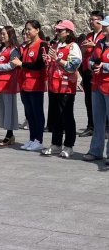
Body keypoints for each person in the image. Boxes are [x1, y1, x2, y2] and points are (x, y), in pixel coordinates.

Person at [41, 20, 82, 158]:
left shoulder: (73, 46)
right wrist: (48, 59)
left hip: (66, 87)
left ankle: (69, 145)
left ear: (68, 32)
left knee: (67, 116)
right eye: (57, 30)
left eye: (60, 30)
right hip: (54, 86)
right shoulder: (56, 44)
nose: (57, 32)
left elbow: (73, 66)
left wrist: (57, 59)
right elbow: (52, 63)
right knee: (55, 116)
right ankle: (56, 144)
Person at [12, 20, 49, 152]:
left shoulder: (43, 45)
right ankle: (32, 138)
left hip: (35, 84)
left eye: (29, 29)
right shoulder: (27, 46)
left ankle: (39, 140)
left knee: (37, 112)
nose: (27, 32)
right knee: (29, 113)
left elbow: (39, 65)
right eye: (26, 29)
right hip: (24, 84)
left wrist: (21, 64)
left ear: (37, 30)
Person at [83, 15, 109, 164]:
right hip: (97, 85)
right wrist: (92, 65)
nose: (103, 27)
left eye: (106, 25)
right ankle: (95, 151)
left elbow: (104, 64)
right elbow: (92, 59)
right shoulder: (99, 43)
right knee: (98, 120)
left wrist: (104, 66)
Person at [79, 11, 105, 137]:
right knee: (88, 99)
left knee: (102, 100)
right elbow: (82, 52)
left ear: (100, 20)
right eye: (90, 19)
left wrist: (94, 45)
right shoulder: (89, 35)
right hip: (87, 71)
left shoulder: (104, 36)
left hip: (100, 71)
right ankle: (91, 125)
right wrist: (83, 48)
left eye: (93, 19)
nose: (91, 22)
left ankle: (105, 127)